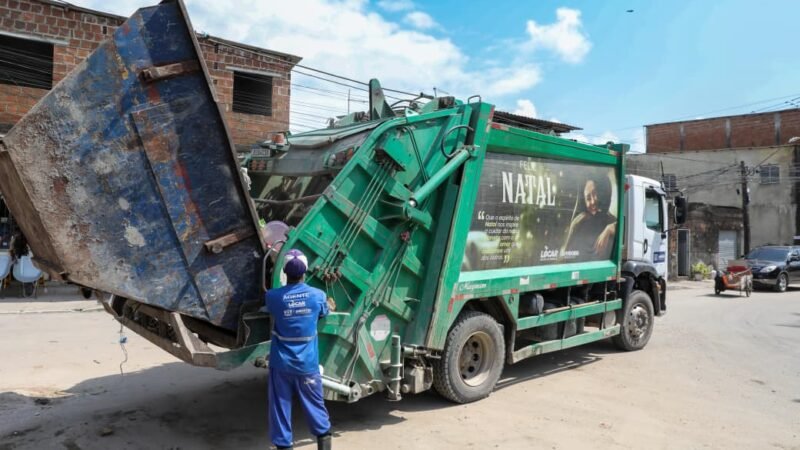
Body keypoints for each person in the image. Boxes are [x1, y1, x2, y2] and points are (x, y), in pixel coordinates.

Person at [264, 249, 332, 450]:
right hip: (307, 365)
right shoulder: (317, 295)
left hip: (281, 364)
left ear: (284, 271)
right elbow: (324, 311)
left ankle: (284, 445)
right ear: (305, 271)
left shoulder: (273, 297)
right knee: (316, 407)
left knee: (280, 408)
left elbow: (272, 308)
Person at [562, 178, 616, 261]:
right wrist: (574, 226)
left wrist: (609, 229)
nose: (593, 201)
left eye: (595, 194)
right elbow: (563, 257)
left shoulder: (612, 221)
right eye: (588, 198)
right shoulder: (579, 223)